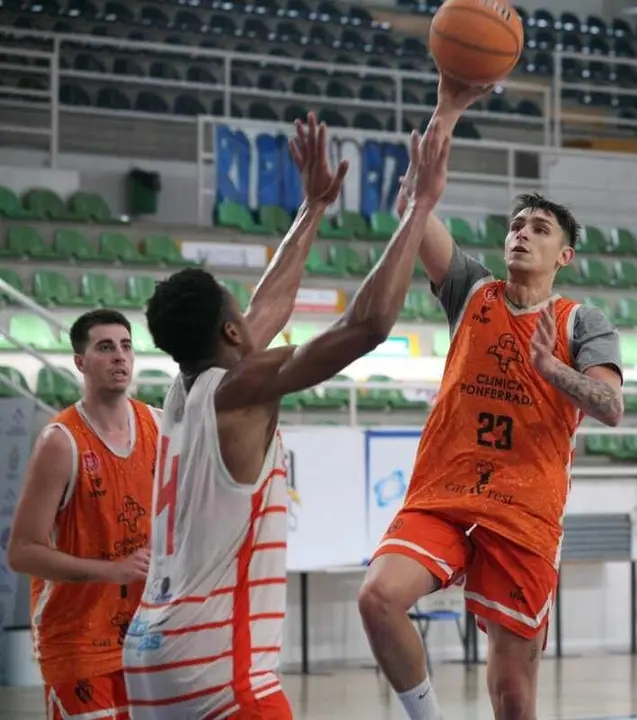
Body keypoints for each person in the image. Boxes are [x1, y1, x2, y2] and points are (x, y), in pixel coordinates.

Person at [120, 112, 452, 718]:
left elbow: (266, 305)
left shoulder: (183, 390)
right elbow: (367, 325)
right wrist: (420, 208)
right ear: (228, 331)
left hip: (149, 654)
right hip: (215, 666)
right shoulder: (241, 386)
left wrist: (314, 206)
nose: (251, 319)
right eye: (236, 317)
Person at [358, 74, 624, 720]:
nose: (521, 235)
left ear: (565, 253)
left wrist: (550, 370)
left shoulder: (580, 322)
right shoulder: (473, 290)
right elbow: (413, 207)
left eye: (538, 228)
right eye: (515, 226)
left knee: (512, 695)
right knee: (378, 597)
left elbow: (610, 406)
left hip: (524, 511)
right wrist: (448, 107)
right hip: (446, 493)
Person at [7, 309, 158, 719]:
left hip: (142, 637)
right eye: (105, 347)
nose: (119, 357)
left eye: (126, 346)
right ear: (80, 362)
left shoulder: (158, 427)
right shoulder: (61, 442)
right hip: (76, 640)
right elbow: (21, 552)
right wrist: (114, 569)